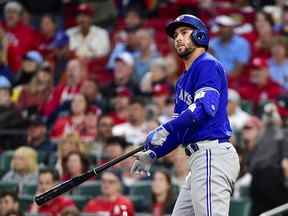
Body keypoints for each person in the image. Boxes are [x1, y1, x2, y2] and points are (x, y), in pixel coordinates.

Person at [130, 14, 240, 216]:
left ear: (200, 36)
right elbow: (181, 129)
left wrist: (165, 127)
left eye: (184, 32)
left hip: (211, 154)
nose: (178, 38)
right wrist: (154, 154)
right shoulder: (182, 80)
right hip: (199, 160)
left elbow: (204, 108)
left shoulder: (207, 64)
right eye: (175, 35)